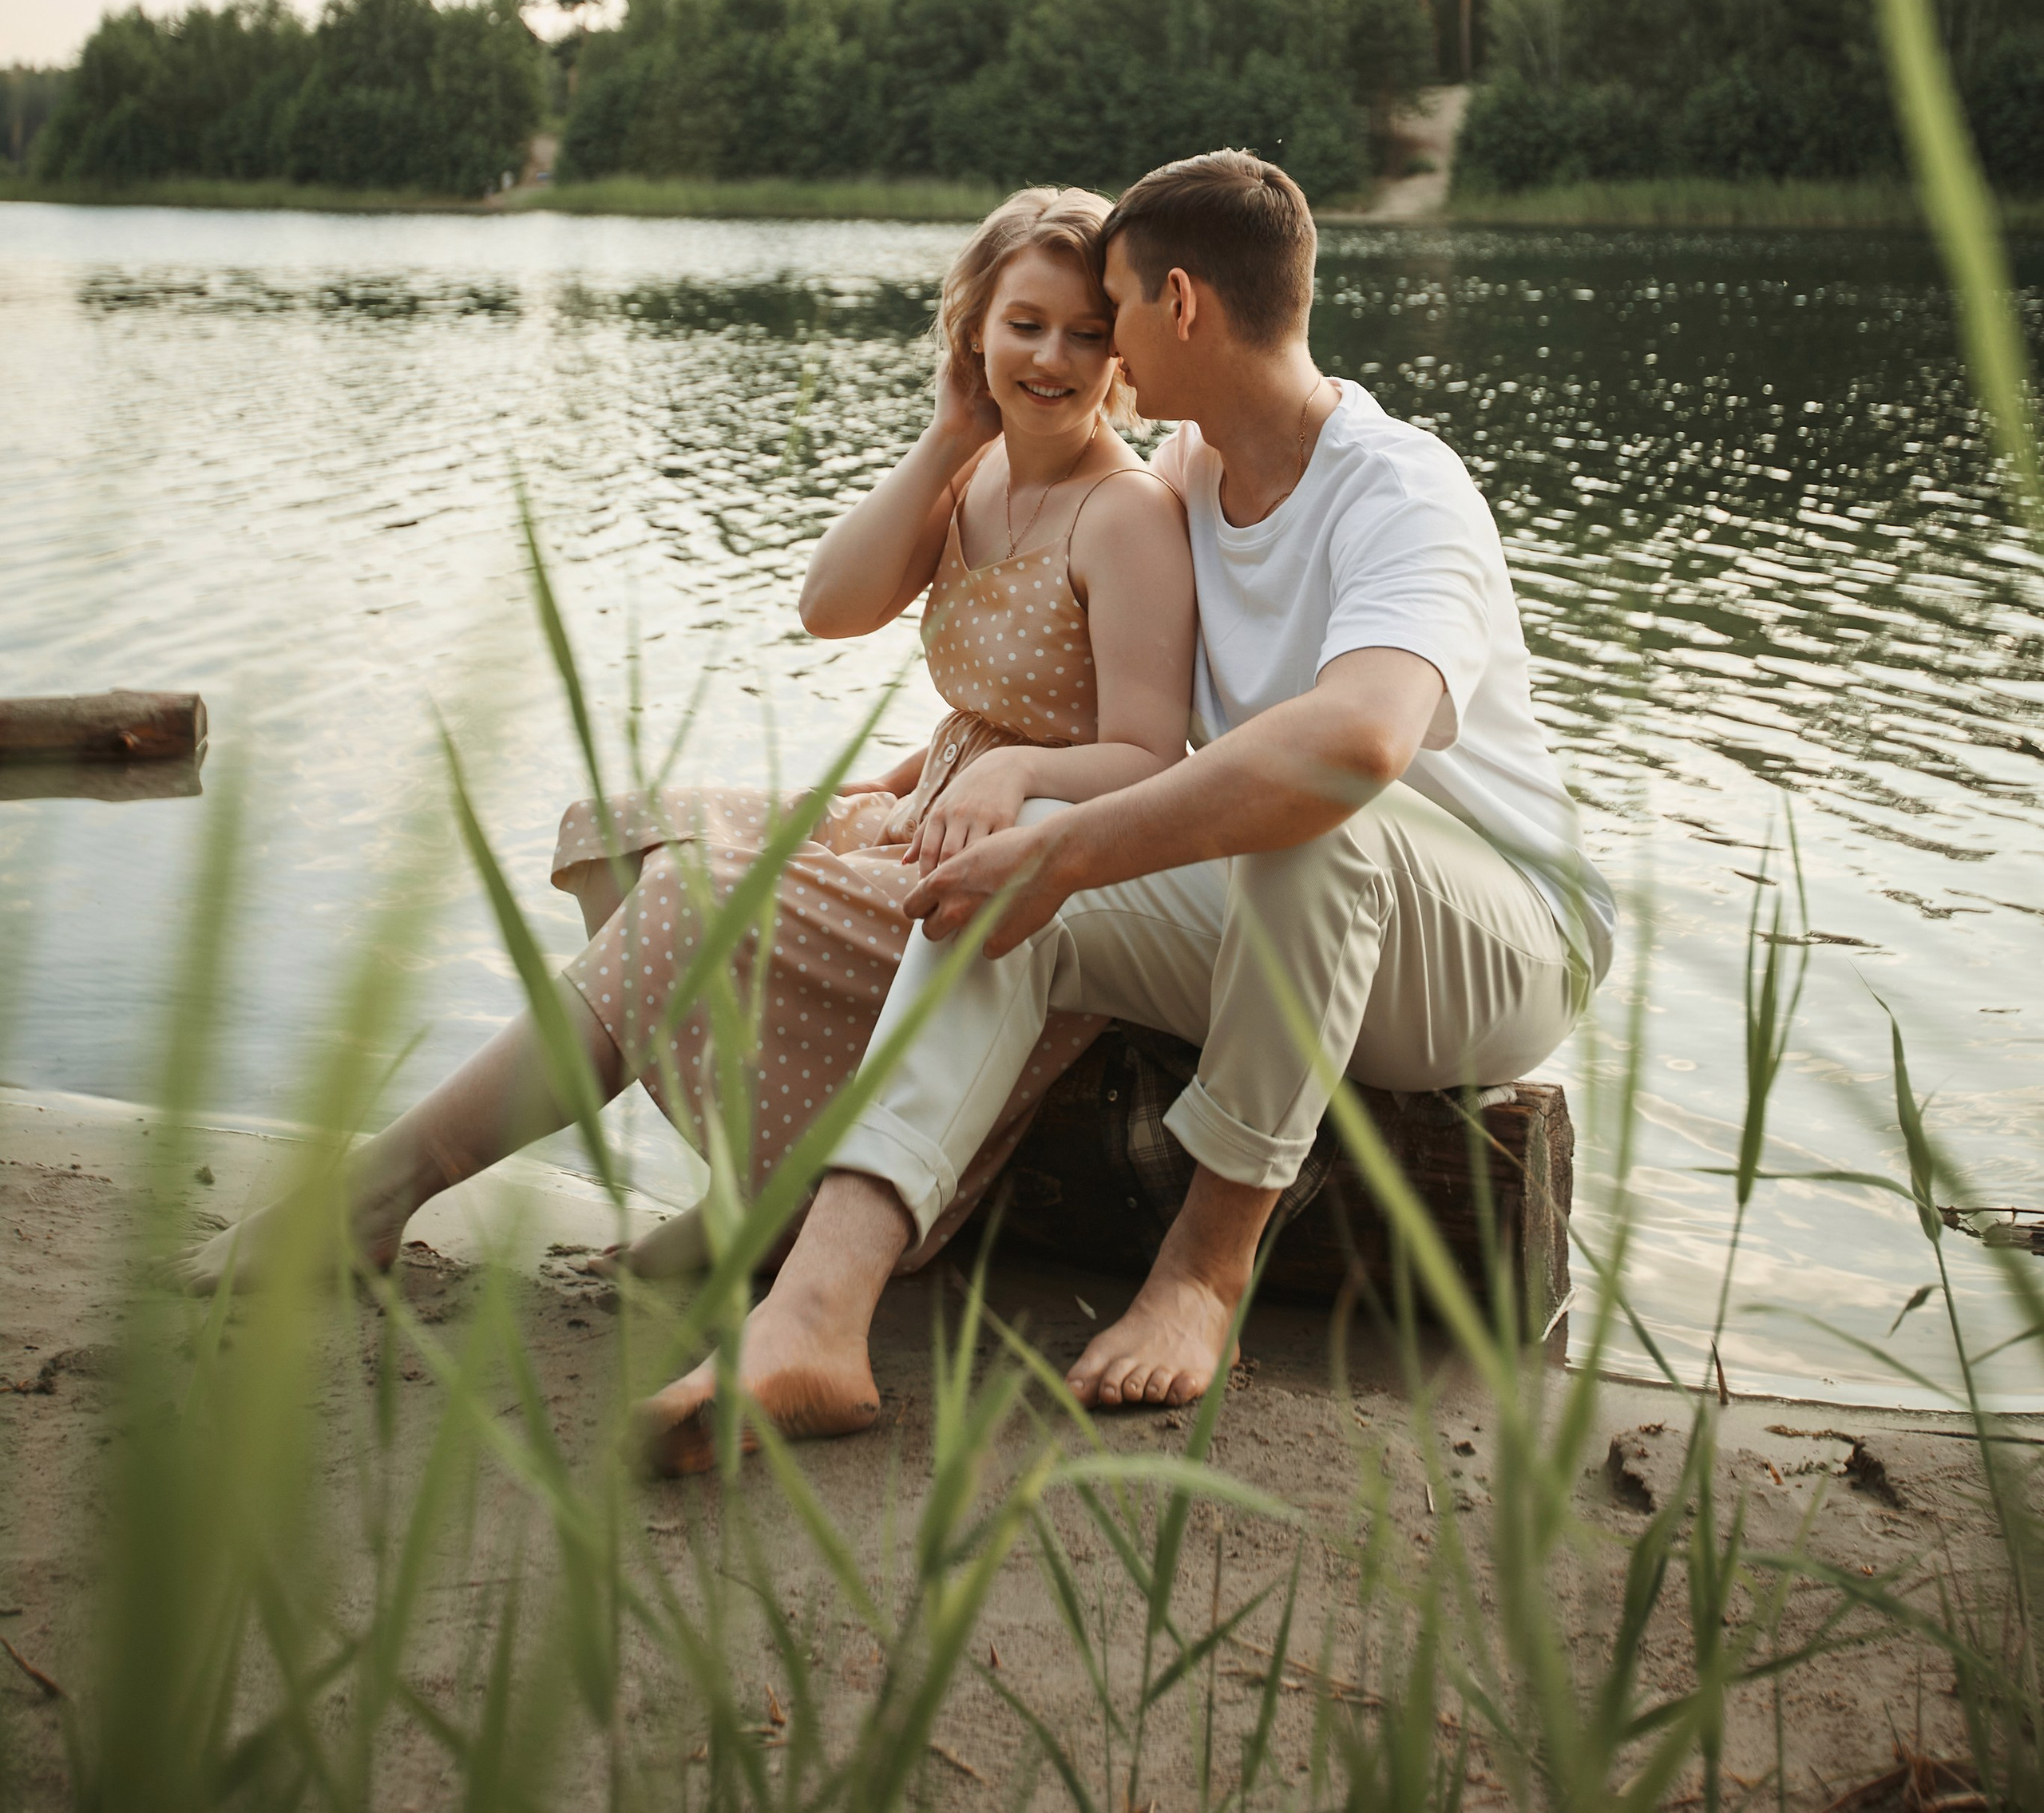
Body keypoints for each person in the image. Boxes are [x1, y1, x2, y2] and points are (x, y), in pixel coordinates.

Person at [640, 148, 1614, 1455]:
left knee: (1304, 811)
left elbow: (1359, 743)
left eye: (1112, 312)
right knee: (1024, 861)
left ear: (1182, 304)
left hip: (1502, 950)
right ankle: (814, 1317)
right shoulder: (1195, 475)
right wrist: (999, 803)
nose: (1097, 352)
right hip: (1297, 926)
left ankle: (1205, 1272)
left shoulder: (1401, 488)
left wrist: (1075, 847)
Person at [184, 187, 1197, 1356]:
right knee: (617, 837)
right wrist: (944, 438)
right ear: (975, 328)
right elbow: (831, 608)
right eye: (1025, 324)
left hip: (1019, 875)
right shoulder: (973, 476)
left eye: (1086, 333)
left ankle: (378, 1193)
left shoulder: (1125, 515)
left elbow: (1149, 756)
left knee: (693, 897)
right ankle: (752, 1194)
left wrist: (1009, 777)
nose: (1053, 358)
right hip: (920, 807)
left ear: (1122, 352)